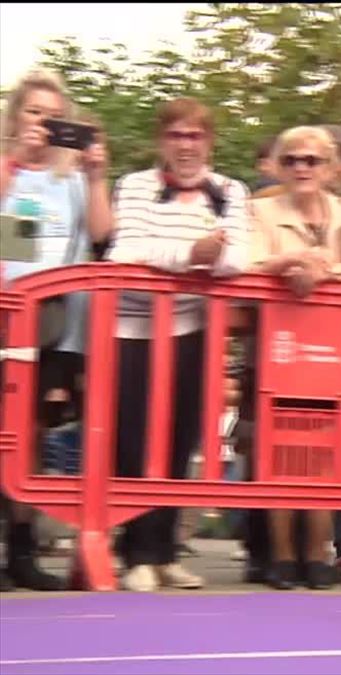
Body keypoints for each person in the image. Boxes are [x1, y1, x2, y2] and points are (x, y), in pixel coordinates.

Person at [106, 96, 251, 592]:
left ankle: (165, 552)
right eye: (176, 135)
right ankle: (135, 553)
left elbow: (239, 259)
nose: (186, 145)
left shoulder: (230, 190)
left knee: (179, 440)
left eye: (195, 135)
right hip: (131, 329)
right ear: (161, 141)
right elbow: (125, 251)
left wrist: (202, 259)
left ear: (208, 141)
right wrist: (192, 254)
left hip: (193, 331)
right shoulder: (133, 186)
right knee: (132, 440)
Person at [247, 124, 341, 590]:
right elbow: (247, 263)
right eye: (291, 160)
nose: (302, 168)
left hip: (336, 351)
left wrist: (325, 268)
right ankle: (284, 558)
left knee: (329, 453)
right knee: (278, 450)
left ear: (331, 168)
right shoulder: (258, 210)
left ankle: (318, 554)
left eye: (312, 160)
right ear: (277, 166)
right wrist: (290, 263)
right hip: (278, 347)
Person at [0, 68, 113, 592]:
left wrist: (95, 176)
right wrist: (15, 162)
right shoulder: (7, 169)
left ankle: (21, 550)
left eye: (52, 115)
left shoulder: (68, 179)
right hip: (5, 311)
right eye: (33, 111)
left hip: (50, 323)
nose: (43, 122)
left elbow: (100, 236)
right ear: (16, 116)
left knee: (30, 439)